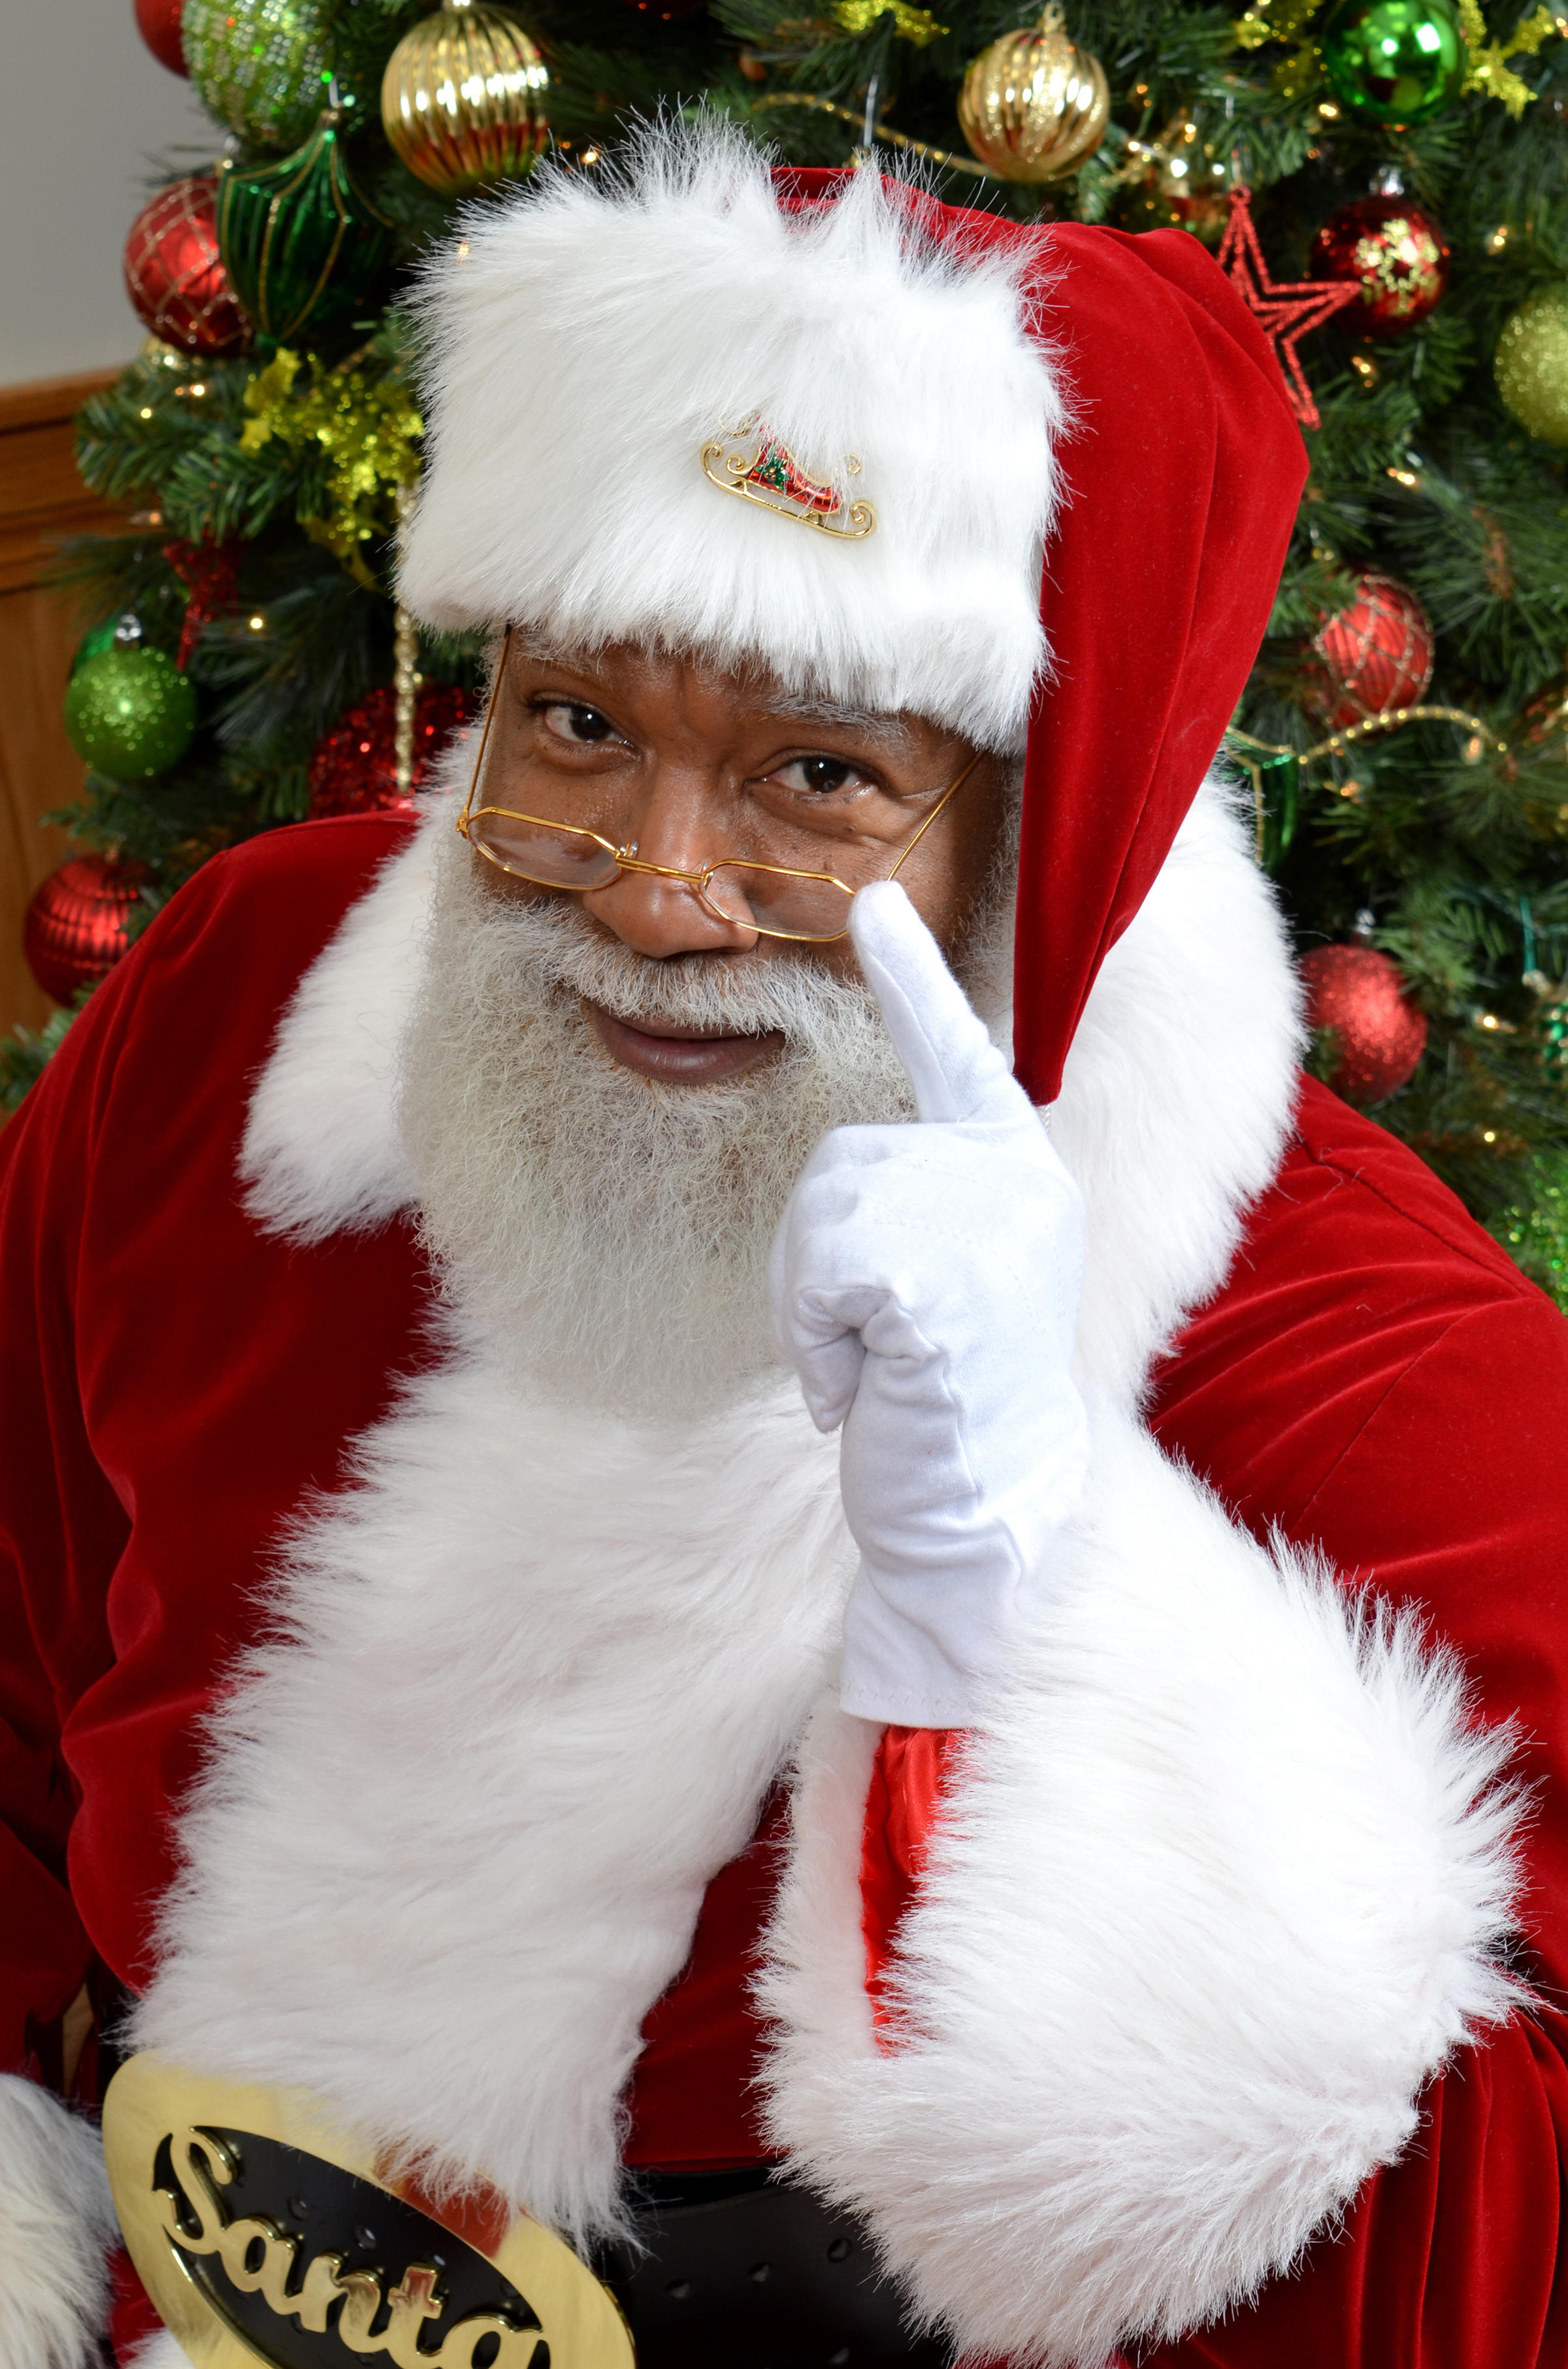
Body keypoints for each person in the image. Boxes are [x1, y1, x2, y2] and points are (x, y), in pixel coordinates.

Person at [2, 123, 1564, 2369]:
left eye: (820, 777)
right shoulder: (235, 1015)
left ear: (1048, 829)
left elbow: (1487, 2239)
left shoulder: (1375, 1356)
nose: (654, 887)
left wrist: (1048, 1610)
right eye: (578, 720)